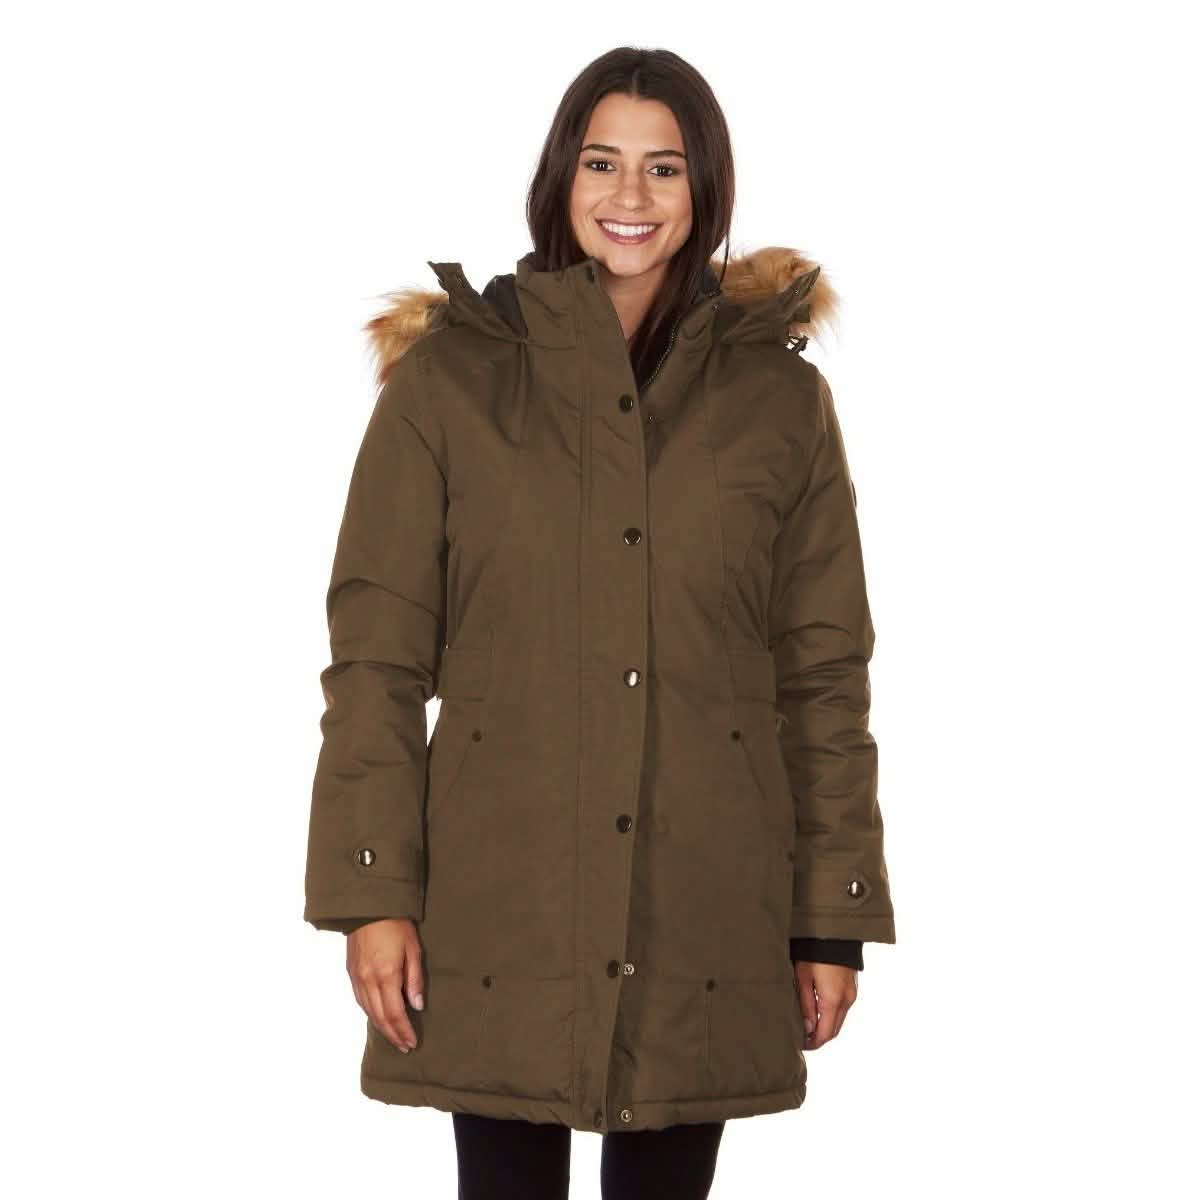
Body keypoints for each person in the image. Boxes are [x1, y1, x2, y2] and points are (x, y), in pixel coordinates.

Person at [303, 45, 897, 1200]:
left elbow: (824, 674)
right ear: (559, 179)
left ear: (704, 188)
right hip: (500, 889)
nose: (631, 195)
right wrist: (372, 891)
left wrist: (830, 919)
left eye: (664, 167)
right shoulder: (451, 384)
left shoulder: (780, 401)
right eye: (601, 162)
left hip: (705, 889)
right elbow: (375, 660)